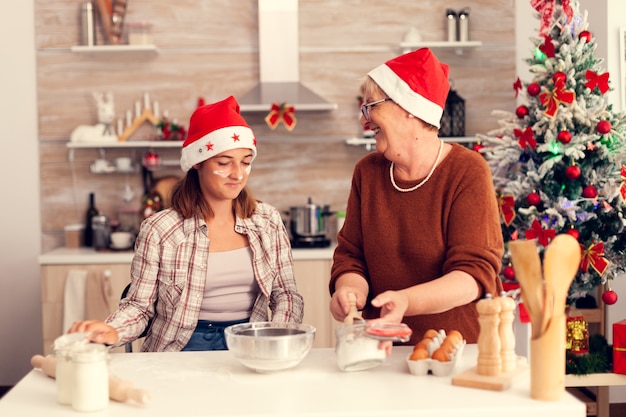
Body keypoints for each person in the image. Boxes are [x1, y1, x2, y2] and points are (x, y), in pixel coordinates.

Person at [70, 96, 304, 351]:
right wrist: (113, 330)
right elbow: (139, 306)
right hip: (179, 347)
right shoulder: (160, 230)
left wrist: (278, 337)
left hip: (250, 342)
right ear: (197, 163)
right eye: (224, 163)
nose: (238, 174)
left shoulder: (267, 221)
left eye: (246, 162)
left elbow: (286, 295)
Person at [329, 48, 504, 345]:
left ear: (408, 108)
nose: (364, 121)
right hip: (380, 347)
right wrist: (349, 291)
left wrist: (406, 301)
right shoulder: (368, 172)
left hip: (454, 349)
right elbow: (351, 258)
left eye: (371, 106)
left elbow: (473, 276)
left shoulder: (467, 171)